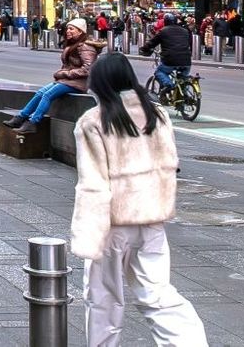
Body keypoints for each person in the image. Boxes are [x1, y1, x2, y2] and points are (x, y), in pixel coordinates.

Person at [69, 51, 209, 345]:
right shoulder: (156, 114)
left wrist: (87, 238)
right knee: (158, 294)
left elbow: (93, 185)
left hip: (113, 225)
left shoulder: (93, 121)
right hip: (152, 220)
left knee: (103, 299)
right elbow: (169, 165)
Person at [5, 20, 98, 128]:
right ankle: (20, 117)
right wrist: (64, 74)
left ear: (80, 31)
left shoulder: (85, 47)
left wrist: (65, 74)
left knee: (47, 95)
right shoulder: (74, 45)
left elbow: (88, 69)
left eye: (72, 29)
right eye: (67, 28)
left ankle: (33, 122)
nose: (68, 31)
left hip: (78, 83)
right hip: (68, 80)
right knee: (40, 92)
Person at [140, 13, 194, 94]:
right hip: (186, 60)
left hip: (170, 60)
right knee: (183, 80)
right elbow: (189, 43)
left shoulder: (163, 31)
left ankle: (168, 84)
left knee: (159, 72)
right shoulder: (185, 31)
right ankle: (184, 98)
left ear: (165, 21)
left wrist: (144, 49)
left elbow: (152, 43)